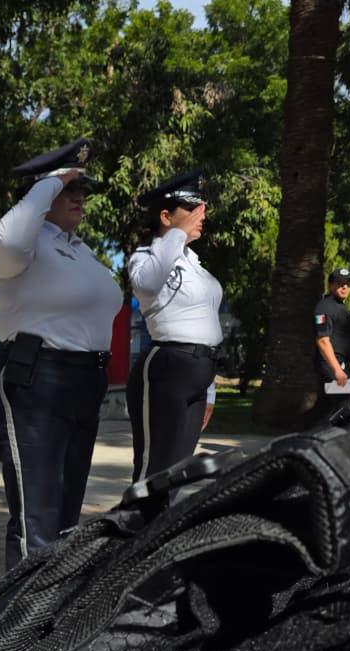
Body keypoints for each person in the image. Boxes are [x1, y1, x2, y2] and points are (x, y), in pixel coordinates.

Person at [0, 138, 121, 570]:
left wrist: (59, 182)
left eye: (82, 189)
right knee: (36, 516)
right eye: (68, 189)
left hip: (82, 381)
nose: (79, 196)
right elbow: (7, 235)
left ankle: (52, 612)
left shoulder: (78, 250)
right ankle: (20, 624)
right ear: (40, 192)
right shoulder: (23, 247)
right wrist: (49, 183)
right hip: (37, 378)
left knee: (66, 514)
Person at [126, 171, 222, 483]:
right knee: (153, 472)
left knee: (177, 474)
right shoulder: (145, 257)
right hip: (166, 367)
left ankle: (161, 531)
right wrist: (175, 235)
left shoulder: (195, 264)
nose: (200, 216)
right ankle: (133, 532)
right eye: (191, 210)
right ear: (166, 216)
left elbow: (205, 324)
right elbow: (148, 283)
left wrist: (208, 390)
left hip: (199, 369)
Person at [315, 267, 350, 388]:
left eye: (348, 284)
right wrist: (337, 370)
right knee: (346, 404)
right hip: (332, 368)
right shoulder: (324, 308)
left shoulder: (340, 307)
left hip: (342, 365)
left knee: (329, 406)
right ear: (330, 285)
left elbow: (341, 341)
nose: (345, 287)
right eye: (340, 283)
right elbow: (322, 340)